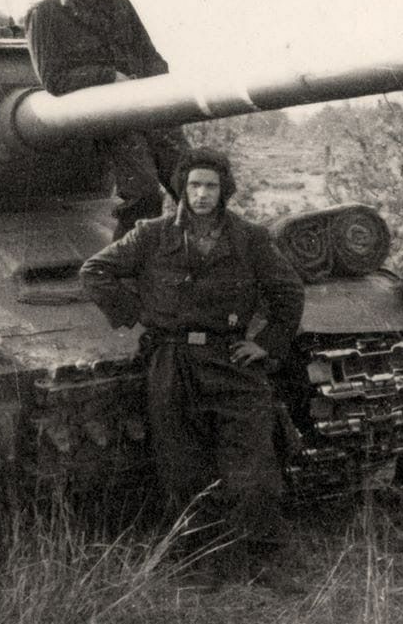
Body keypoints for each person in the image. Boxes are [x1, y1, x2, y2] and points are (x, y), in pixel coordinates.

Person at [79, 148, 305, 582]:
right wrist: (138, 314)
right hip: (173, 359)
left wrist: (266, 345)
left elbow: (289, 292)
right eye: (195, 185)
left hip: (229, 359)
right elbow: (95, 271)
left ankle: (264, 558)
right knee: (183, 469)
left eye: (211, 186)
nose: (202, 194)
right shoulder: (152, 234)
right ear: (182, 188)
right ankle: (202, 561)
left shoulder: (249, 238)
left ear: (224, 191)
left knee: (254, 466)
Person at [25, 0, 185, 238]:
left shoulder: (120, 7)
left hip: (144, 104)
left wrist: (158, 88)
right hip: (102, 115)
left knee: (193, 181)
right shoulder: (46, 14)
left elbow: (152, 58)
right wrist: (108, 76)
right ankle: (125, 261)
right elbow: (54, 80)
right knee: (143, 195)